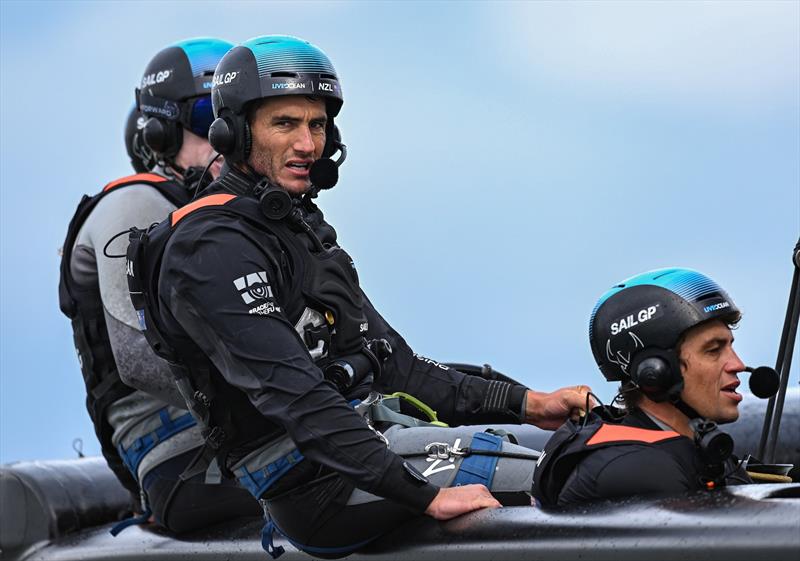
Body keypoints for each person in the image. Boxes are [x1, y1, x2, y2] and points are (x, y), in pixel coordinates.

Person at [127, 35, 591, 557]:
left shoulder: (289, 224)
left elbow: (396, 364)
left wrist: (528, 404)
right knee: (574, 480)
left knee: (579, 449)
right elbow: (294, 394)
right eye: (285, 124)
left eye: (317, 125)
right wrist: (424, 498)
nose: (308, 144)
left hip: (363, 447)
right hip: (314, 486)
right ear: (233, 133)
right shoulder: (210, 246)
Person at [58, 37, 259, 534]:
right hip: (187, 457)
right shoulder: (137, 208)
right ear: (162, 133)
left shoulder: (228, 219)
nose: (226, 135)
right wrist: (298, 401)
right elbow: (140, 362)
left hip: (243, 440)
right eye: (206, 119)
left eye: (239, 117)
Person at [532, 267, 753, 508]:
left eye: (731, 346)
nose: (738, 365)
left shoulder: (693, 449)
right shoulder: (639, 470)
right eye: (713, 350)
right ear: (655, 372)